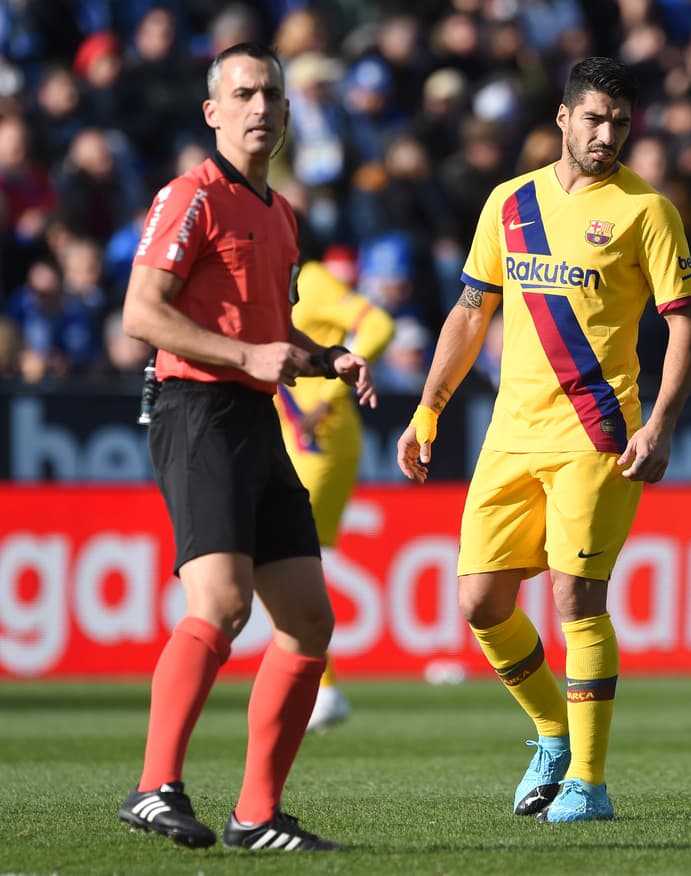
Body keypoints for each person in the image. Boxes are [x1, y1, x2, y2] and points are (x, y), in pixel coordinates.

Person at [396, 57, 691, 823]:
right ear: (563, 118)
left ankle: (589, 785)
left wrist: (662, 422)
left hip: (596, 434)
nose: (607, 135)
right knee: (479, 602)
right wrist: (428, 409)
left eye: (620, 123)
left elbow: (685, 321)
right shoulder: (510, 202)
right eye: (594, 118)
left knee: (576, 596)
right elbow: (471, 312)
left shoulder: (647, 210)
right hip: (510, 435)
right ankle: (553, 734)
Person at [118, 41, 376, 852]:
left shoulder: (281, 214)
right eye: (243, 93)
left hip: (256, 417)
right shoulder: (190, 196)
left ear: (289, 111)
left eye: (270, 94)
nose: (259, 106)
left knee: (307, 620)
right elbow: (141, 313)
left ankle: (257, 816)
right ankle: (154, 787)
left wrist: (325, 358)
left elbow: (270, 334)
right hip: (197, 410)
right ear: (213, 111)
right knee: (223, 605)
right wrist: (247, 356)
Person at [275, 258, 395, 732]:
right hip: (303, 441)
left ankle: (320, 689)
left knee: (284, 560)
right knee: (287, 563)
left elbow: (379, 325)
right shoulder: (276, 282)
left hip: (318, 442)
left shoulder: (312, 280)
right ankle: (316, 686)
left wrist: (329, 397)